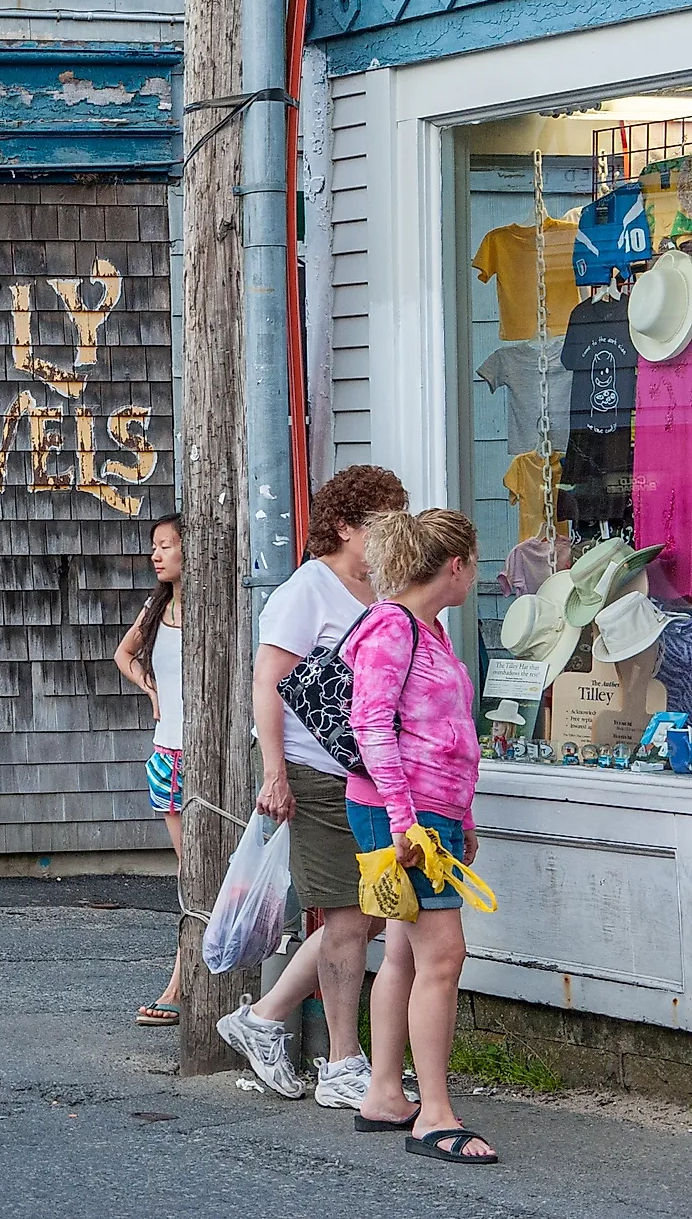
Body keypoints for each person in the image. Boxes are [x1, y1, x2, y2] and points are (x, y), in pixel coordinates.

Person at [223, 465, 411, 1104]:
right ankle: (341, 1062)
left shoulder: (378, 589)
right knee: (351, 914)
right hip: (318, 772)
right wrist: (275, 771)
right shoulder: (309, 589)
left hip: (367, 775)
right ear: (345, 527)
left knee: (369, 912)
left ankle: (265, 1016)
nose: (394, 533)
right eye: (382, 522)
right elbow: (268, 680)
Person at [342, 507, 495, 1165]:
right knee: (443, 955)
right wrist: (409, 823)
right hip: (403, 816)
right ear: (455, 565)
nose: (477, 573)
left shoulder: (427, 629)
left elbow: (446, 731)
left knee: (405, 950)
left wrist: (461, 819)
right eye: (476, 561)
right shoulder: (392, 626)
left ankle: (384, 1091)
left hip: (427, 815)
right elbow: (371, 724)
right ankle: (433, 1113)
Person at [112, 513, 187, 1025]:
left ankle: (179, 988)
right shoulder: (156, 607)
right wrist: (150, 688)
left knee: (200, 876)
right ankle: (182, 987)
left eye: (167, 545)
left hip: (204, 758)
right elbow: (123, 654)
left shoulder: (213, 608)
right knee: (192, 876)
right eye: (154, 546)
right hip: (166, 753)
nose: (157, 554)